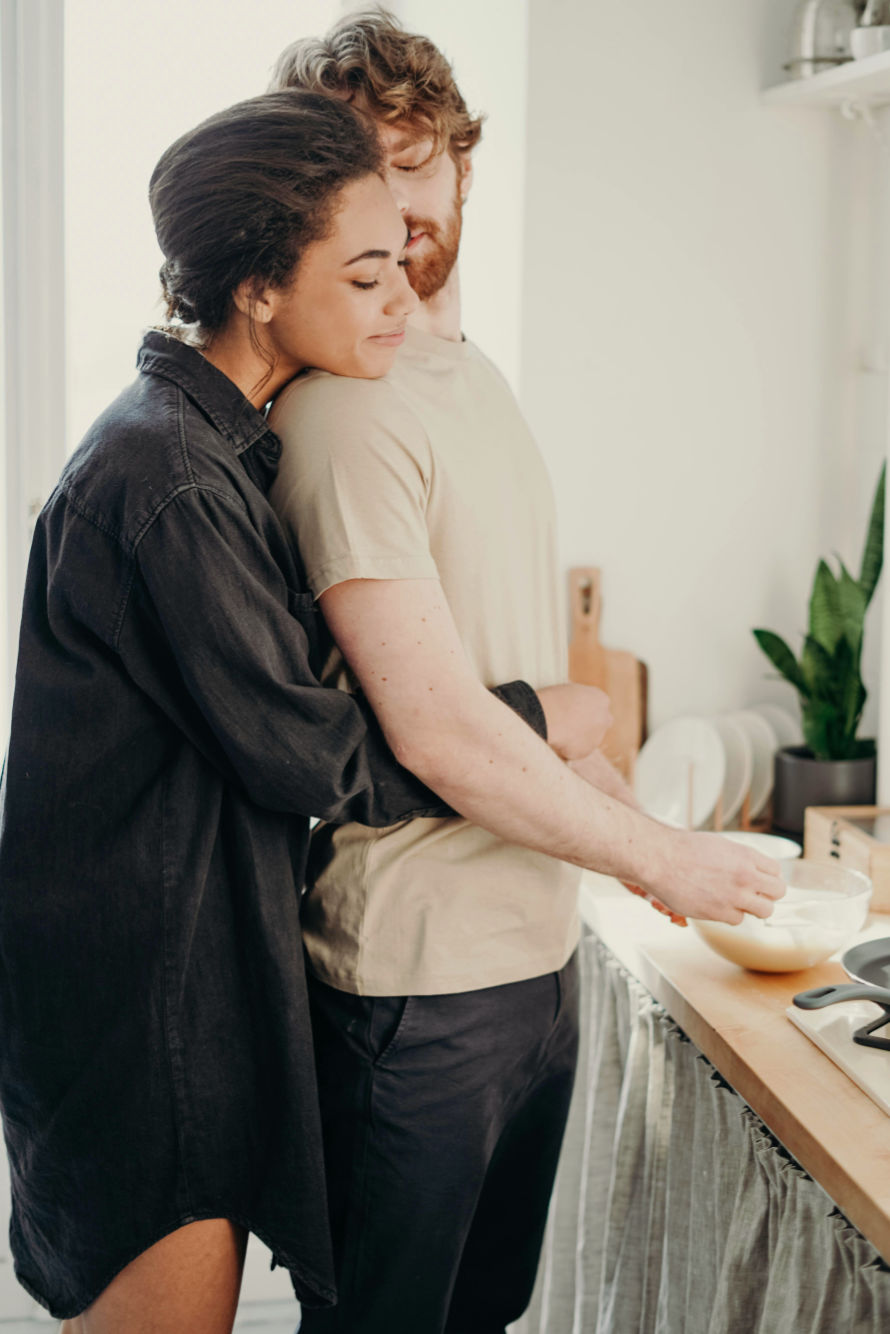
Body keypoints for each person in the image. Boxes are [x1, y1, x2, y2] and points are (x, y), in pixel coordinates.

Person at [0, 90, 564, 1334]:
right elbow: (308, 749)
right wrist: (534, 714)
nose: (399, 301)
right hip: (139, 1021)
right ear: (258, 287)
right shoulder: (165, 477)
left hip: (192, 986)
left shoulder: (219, 442)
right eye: (365, 274)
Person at [267, 13, 784, 1334]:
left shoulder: (463, 376)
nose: (399, 197)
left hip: (530, 962)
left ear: (460, 168)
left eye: (418, 158)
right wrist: (654, 861)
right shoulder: (343, 408)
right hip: (411, 988)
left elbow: (518, 685)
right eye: (359, 169)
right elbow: (437, 732)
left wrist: (651, 832)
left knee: (484, 1319)